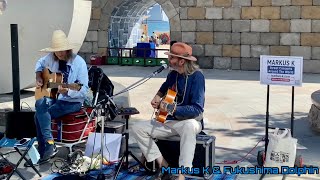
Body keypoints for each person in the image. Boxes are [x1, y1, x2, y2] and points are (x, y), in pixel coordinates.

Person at [132, 42, 205, 180]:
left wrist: (170, 108)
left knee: (189, 126)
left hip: (190, 122)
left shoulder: (197, 77)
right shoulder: (173, 74)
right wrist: (157, 97)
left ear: (181, 61)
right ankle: (164, 166)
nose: (168, 60)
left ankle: (182, 175)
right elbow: (164, 87)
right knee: (137, 128)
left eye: (172, 58)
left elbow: (197, 109)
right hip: (170, 121)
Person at [25, 30, 89, 166]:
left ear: (68, 49)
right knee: (40, 101)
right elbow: (40, 63)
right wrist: (38, 76)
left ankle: (46, 149)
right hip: (55, 95)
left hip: (72, 101)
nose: (59, 53)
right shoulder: (50, 57)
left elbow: (83, 91)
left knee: (39, 116)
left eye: (62, 50)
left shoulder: (79, 63)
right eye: (56, 51)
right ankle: (49, 146)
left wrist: (67, 92)